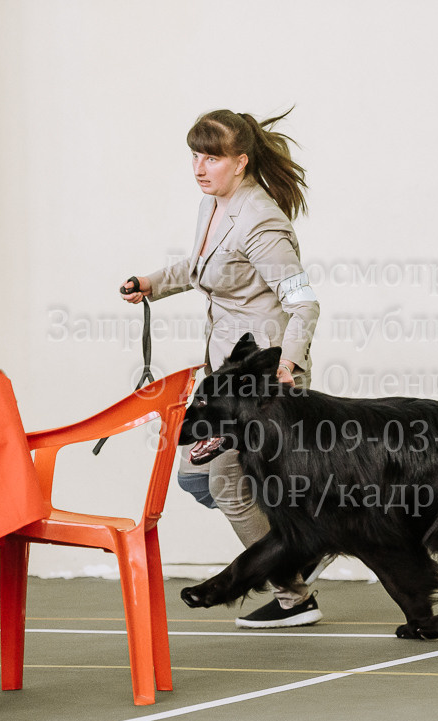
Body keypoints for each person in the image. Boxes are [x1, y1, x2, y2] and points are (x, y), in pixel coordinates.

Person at [122, 108, 330, 628]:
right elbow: (201, 268)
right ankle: (307, 537)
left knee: (227, 487)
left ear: (240, 162)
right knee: (195, 478)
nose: (199, 167)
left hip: (267, 380)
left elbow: (304, 303)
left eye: (211, 158)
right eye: (195, 155)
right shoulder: (213, 204)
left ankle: (293, 594)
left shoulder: (262, 221)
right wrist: (151, 284)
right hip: (230, 378)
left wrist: (289, 363)